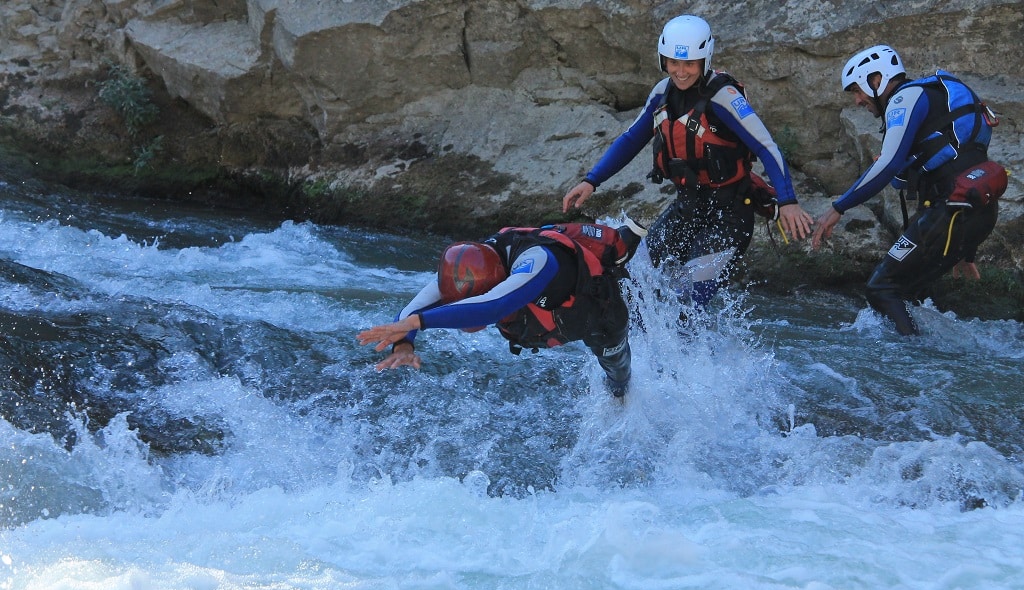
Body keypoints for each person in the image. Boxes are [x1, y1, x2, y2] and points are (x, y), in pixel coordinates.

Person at [562, 14, 813, 312]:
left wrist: (788, 201)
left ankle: (703, 356)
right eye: (673, 63)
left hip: (729, 217)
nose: (681, 72)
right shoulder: (661, 93)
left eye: (690, 64)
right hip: (687, 209)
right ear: (663, 60)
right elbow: (630, 140)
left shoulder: (726, 97)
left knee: (687, 302)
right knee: (633, 282)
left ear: (704, 60)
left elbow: (767, 148)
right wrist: (592, 180)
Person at [811, 45, 1003, 335]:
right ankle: (929, 360)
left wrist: (838, 208)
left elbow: (888, 166)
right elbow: (964, 172)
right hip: (975, 213)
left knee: (881, 288)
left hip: (950, 212)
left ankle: (915, 360)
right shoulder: (930, 97)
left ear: (876, 79)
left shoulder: (906, 96)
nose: (858, 100)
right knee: (907, 292)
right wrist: (967, 250)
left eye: (857, 90)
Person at [356, 219, 648, 397]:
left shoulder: (538, 261)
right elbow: (412, 310)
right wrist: (404, 345)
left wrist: (417, 324)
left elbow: (493, 306)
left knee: (619, 381)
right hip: (558, 312)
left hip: (602, 314)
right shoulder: (469, 265)